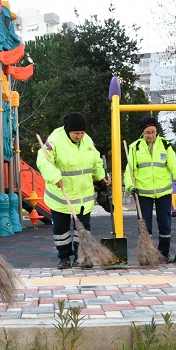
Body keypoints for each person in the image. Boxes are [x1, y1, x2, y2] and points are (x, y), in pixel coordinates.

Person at [37, 112, 110, 269]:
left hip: (83, 195)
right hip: (61, 195)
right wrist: (54, 176)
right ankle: (64, 257)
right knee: (61, 230)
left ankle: (82, 256)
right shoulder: (55, 140)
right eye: (76, 133)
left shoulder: (87, 140)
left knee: (83, 229)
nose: (80, 136)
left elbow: (96, 161)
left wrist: (100, 177)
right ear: (68, 131)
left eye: (82, 133)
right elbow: (43, 161)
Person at [124, 116, 176, 262]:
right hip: (142, 192)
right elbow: (129, 170)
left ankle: (164, 253)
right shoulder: (134, 148)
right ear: (142, 133)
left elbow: (175, 168)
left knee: (165, 223)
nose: (151, 135)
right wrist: (130, 186)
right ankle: (147, 253)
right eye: (147, 132)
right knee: (145, 225)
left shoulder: (165, 145)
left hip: (163, 192)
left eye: (153, 132)